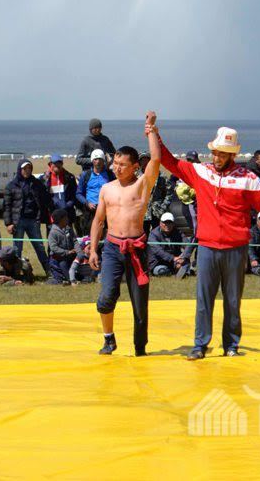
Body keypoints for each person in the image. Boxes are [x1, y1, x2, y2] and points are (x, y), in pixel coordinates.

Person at [159, 126, 260, 360]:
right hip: (207, 247)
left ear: (232, 155)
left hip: (236, 249)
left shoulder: (248, 179)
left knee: (232, 300)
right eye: (215, 152)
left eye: (222, 154)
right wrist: (153, 133)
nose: (217, 158)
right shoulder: (201, 172)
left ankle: (231, 344)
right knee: (204, 300)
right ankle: (200, 345)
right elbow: (169, 161)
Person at [90, 111, 161, 357]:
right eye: (115, 163)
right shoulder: (106, 189)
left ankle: (140, 347)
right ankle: (108, 339)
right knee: (106, 297)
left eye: (122, 165)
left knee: (140, 305)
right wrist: (92, 249)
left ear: (134, 167)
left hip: (136, 250)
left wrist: (151, 129)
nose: (117, 168)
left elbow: (155, 159)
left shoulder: (142, 185)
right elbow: (99, 220)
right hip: (112, 248)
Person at [3, 158, 52, 274]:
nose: (27, 170)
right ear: (19, 170)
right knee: (17, 249)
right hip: (18, 221)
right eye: (24, 168)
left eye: (29, 168)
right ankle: (16, 274)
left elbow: (45, 198)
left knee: (40, 247)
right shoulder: (11, 185)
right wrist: (8, 223)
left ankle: (50, 273)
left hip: (33, 221)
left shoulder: (36, 183)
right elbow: (7, 206)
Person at [77, 149, 115, 235]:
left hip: (107, 210)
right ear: (92, 161)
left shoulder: (110, 175)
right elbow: (78, 193)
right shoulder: (85, 175)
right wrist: (87, 203)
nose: (98, 162)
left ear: (103, 161)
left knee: (108, 235)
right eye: (95, 159)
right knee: (90, 235)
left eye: (100, 159)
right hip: (90, 211)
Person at [139, 151, 175, 235]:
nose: (145, 162)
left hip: (157, 212)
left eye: (147, 160)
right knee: (142, 235)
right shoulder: (136, 176)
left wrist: (163, 206)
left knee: (157, 235)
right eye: (142, 160)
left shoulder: (160, 176)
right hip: (141, 212)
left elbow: (170, 192)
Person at [148, 212, 192, 278]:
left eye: (170, 223)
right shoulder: (153, 235)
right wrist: (173, 258)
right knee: (161, 271)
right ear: (160, 223)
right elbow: (159, 251)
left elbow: (188, 245)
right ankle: (177, 271)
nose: (167, 225)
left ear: (173, 224)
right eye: (165, 222)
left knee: (185, 262)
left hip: (174, 261)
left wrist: (183, 257)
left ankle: (180, 269)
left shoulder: (178, 232)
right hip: (158, 262)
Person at [41, 154, 77, 232]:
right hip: (51, 215)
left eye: (59, 163)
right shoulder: (44, 179)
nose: (57, 165)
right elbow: (41, 196)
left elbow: (74, 195)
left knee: (68, 237)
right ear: (50, 164)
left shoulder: (69, 177)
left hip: (67, 214)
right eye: (55, 163)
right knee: (52, 237)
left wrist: (67, 205)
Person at [47, 209, 77, 285]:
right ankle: (69, 279)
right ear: (61, 220)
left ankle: (72, 278)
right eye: (66, 217)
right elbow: (53, 248)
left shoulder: (69, 229)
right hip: (57, 258)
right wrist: (67, 252)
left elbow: (75, 241)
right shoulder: (53, 232)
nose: (68, 219)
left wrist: (79, 252)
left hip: (69, 256)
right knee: (62, 264)